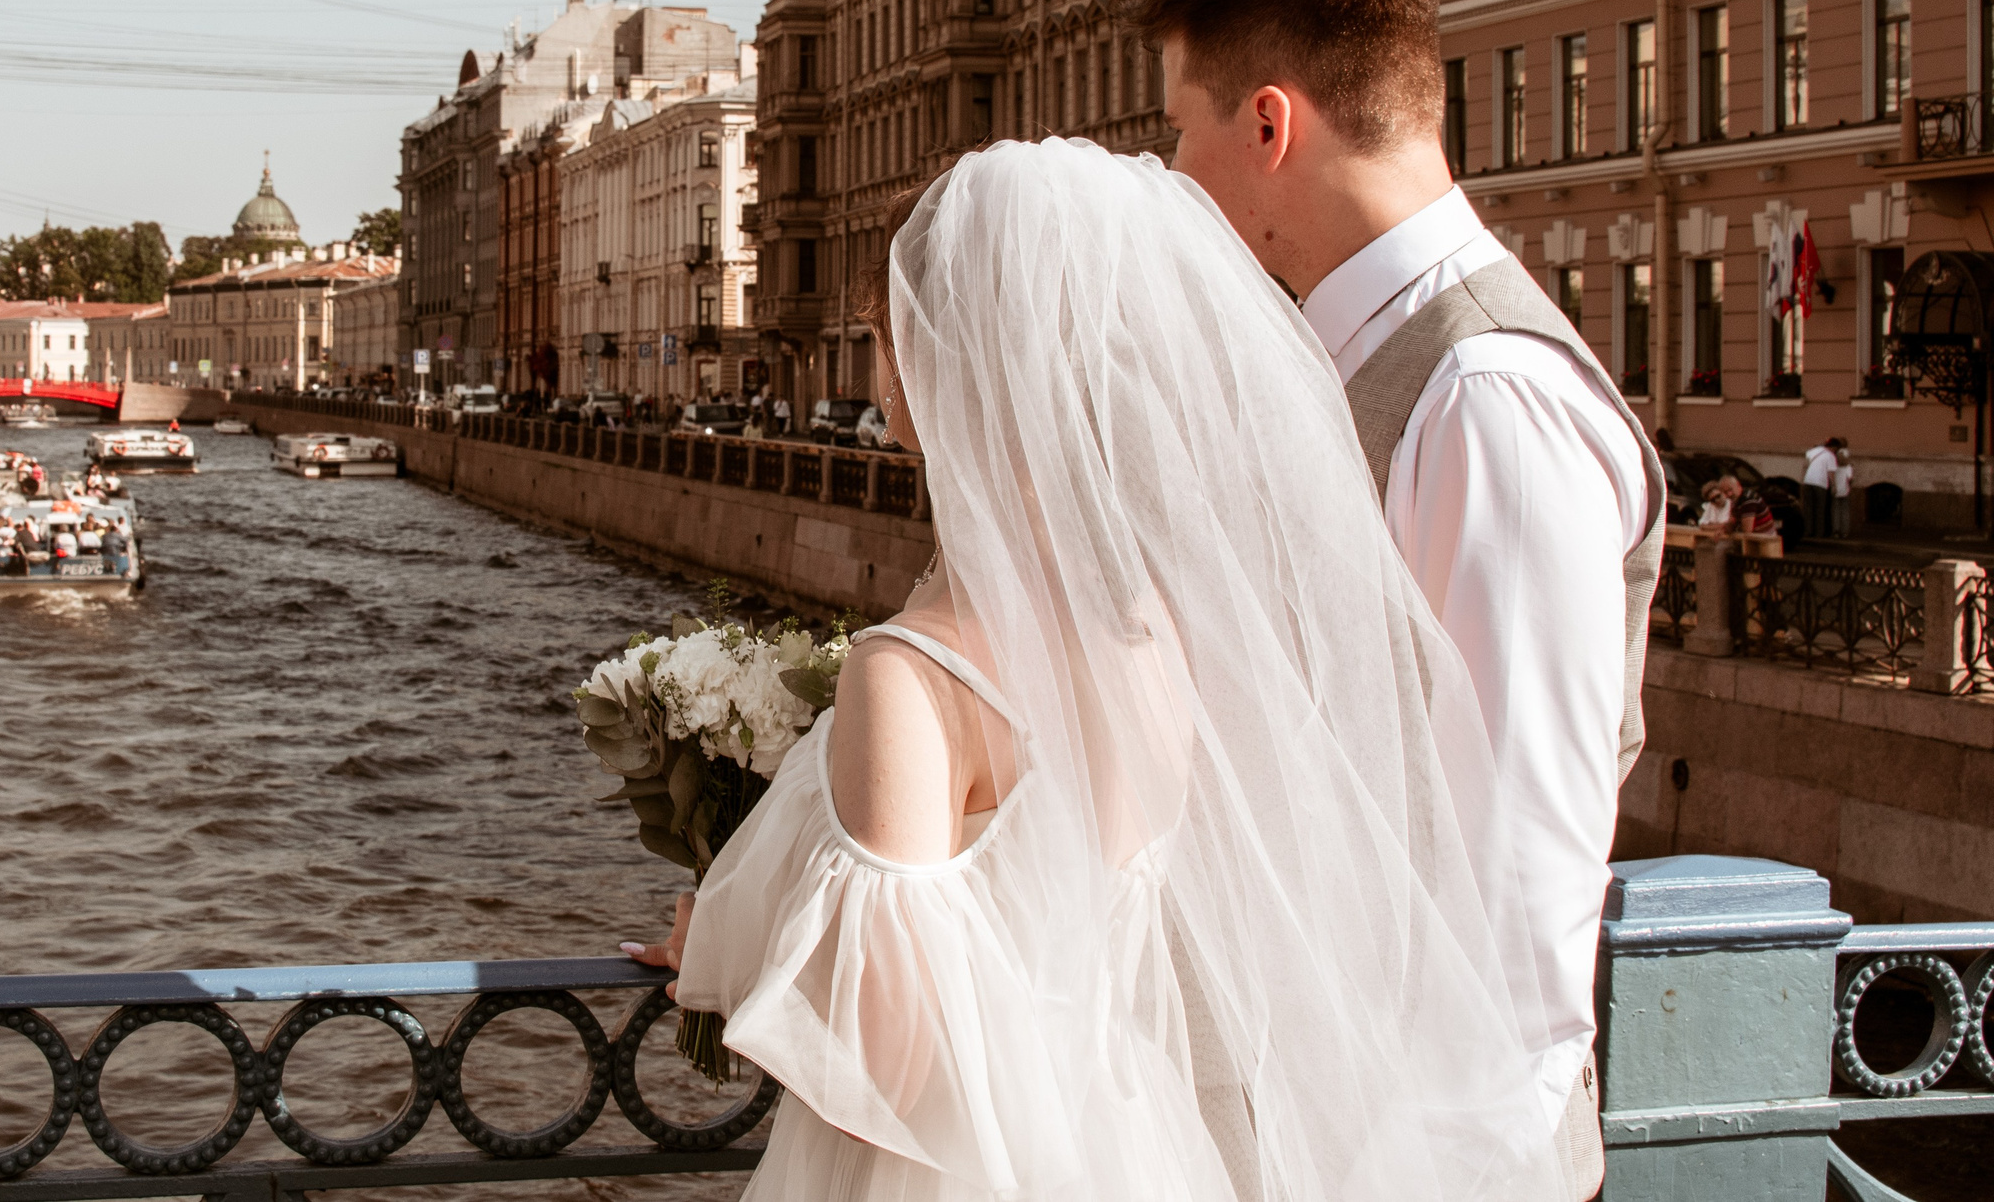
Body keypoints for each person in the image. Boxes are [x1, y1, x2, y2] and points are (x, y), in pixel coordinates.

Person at [632, 143, 1567, 1202]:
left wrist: (735, 949)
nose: (874, 373)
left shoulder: (911, 673)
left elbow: (895, 1051)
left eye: (879, 339)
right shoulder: (1162, 638)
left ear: (934, 361)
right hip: (1134, 1137)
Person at [1133, 0, 1660, 1198]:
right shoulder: (1365, 364)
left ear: (1267, 123)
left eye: (1180, 130)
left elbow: (1511, 890)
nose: (1171, 173)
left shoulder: (1488, 397)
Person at [1803, 436, 1842, 539]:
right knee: (1820, 509)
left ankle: (1808, 531)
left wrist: (1802, 479)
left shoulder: (1813, 451)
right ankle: (1819, 533)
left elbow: (1806, 464)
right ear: (1834, 447)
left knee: (1808, 508)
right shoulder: (1831, 456)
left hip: (1808, 481)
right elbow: (1831, 473)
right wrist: (1834, 486)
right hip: (1821, 483)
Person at [1831, 444, 1855, 538]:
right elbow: (1850, 479)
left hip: (1836, 490)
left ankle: (1836, 531)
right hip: (1845, 490)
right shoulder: (1848, 467)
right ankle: (1845, 531)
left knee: (1835, 511)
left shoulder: (1834, 466)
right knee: (1845, 511)